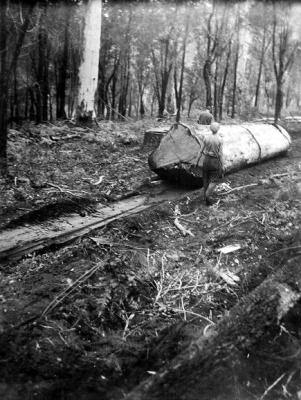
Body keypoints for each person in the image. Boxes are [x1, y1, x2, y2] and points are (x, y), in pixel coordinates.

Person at [202, 122, 224, 206]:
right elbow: (220, 154)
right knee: (214, 180)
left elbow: (201, 150)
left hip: (206, 159)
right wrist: (222, 165)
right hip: (214, 160)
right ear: (218, 129)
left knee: (205, 179)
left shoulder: (206, 138)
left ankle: (205, 197)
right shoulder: (220, 139)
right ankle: (207, 196)